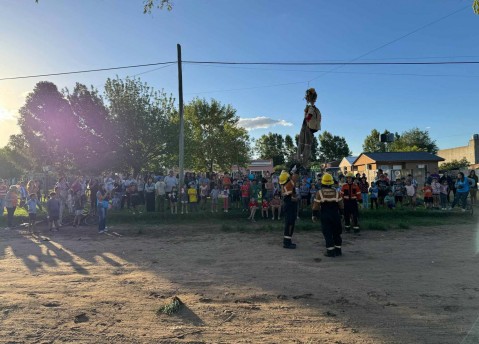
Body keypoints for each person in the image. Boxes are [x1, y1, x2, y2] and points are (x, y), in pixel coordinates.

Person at [312, 173, 344, 257]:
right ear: (331, 182)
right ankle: (338, 250)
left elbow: (316, 205)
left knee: (328, 233)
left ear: (322, 182)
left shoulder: (320, 193)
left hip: (325, 215)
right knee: (336, 232)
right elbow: (341, 205)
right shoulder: (337, 192)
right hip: (335, 215)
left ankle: (330, 251)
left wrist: (314, 215)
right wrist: (342, 214)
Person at [297, 88, 321, 168]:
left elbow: (309, 116)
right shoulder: (315, 109)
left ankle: (301, 162)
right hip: (311, 128)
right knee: (306, 144)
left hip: (307, 127)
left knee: (303, 143)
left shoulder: (311, 108)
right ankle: (303, 162)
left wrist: (306, 117)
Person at [279, 167, 299, 249]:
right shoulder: (288, 185)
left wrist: (293, 171)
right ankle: (287, 243)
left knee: (289, 224)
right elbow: (291, 198)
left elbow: (293, 179)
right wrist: (296, 199)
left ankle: (288, 241)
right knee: (290, 224)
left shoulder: (285, 184)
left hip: (288, 206)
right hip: (290, 206)